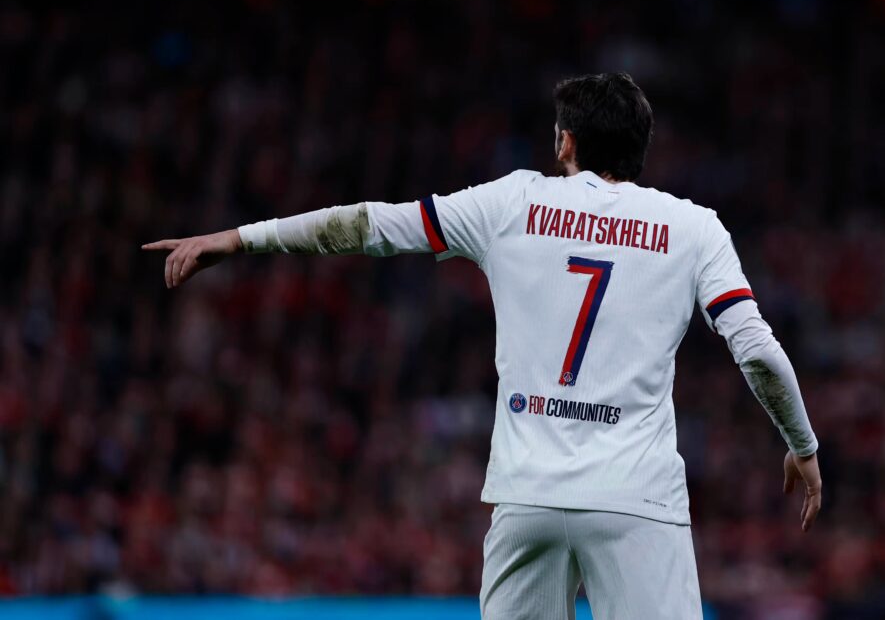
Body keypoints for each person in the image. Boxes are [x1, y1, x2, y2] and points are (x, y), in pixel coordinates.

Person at [143, 72, 822, 619]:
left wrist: (239, 238)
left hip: (528, 497)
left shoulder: (512, 203)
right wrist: (802, 445)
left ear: (565, 142)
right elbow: (757, 352)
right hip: (636, 500)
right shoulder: (694, 228)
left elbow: (367, 225)